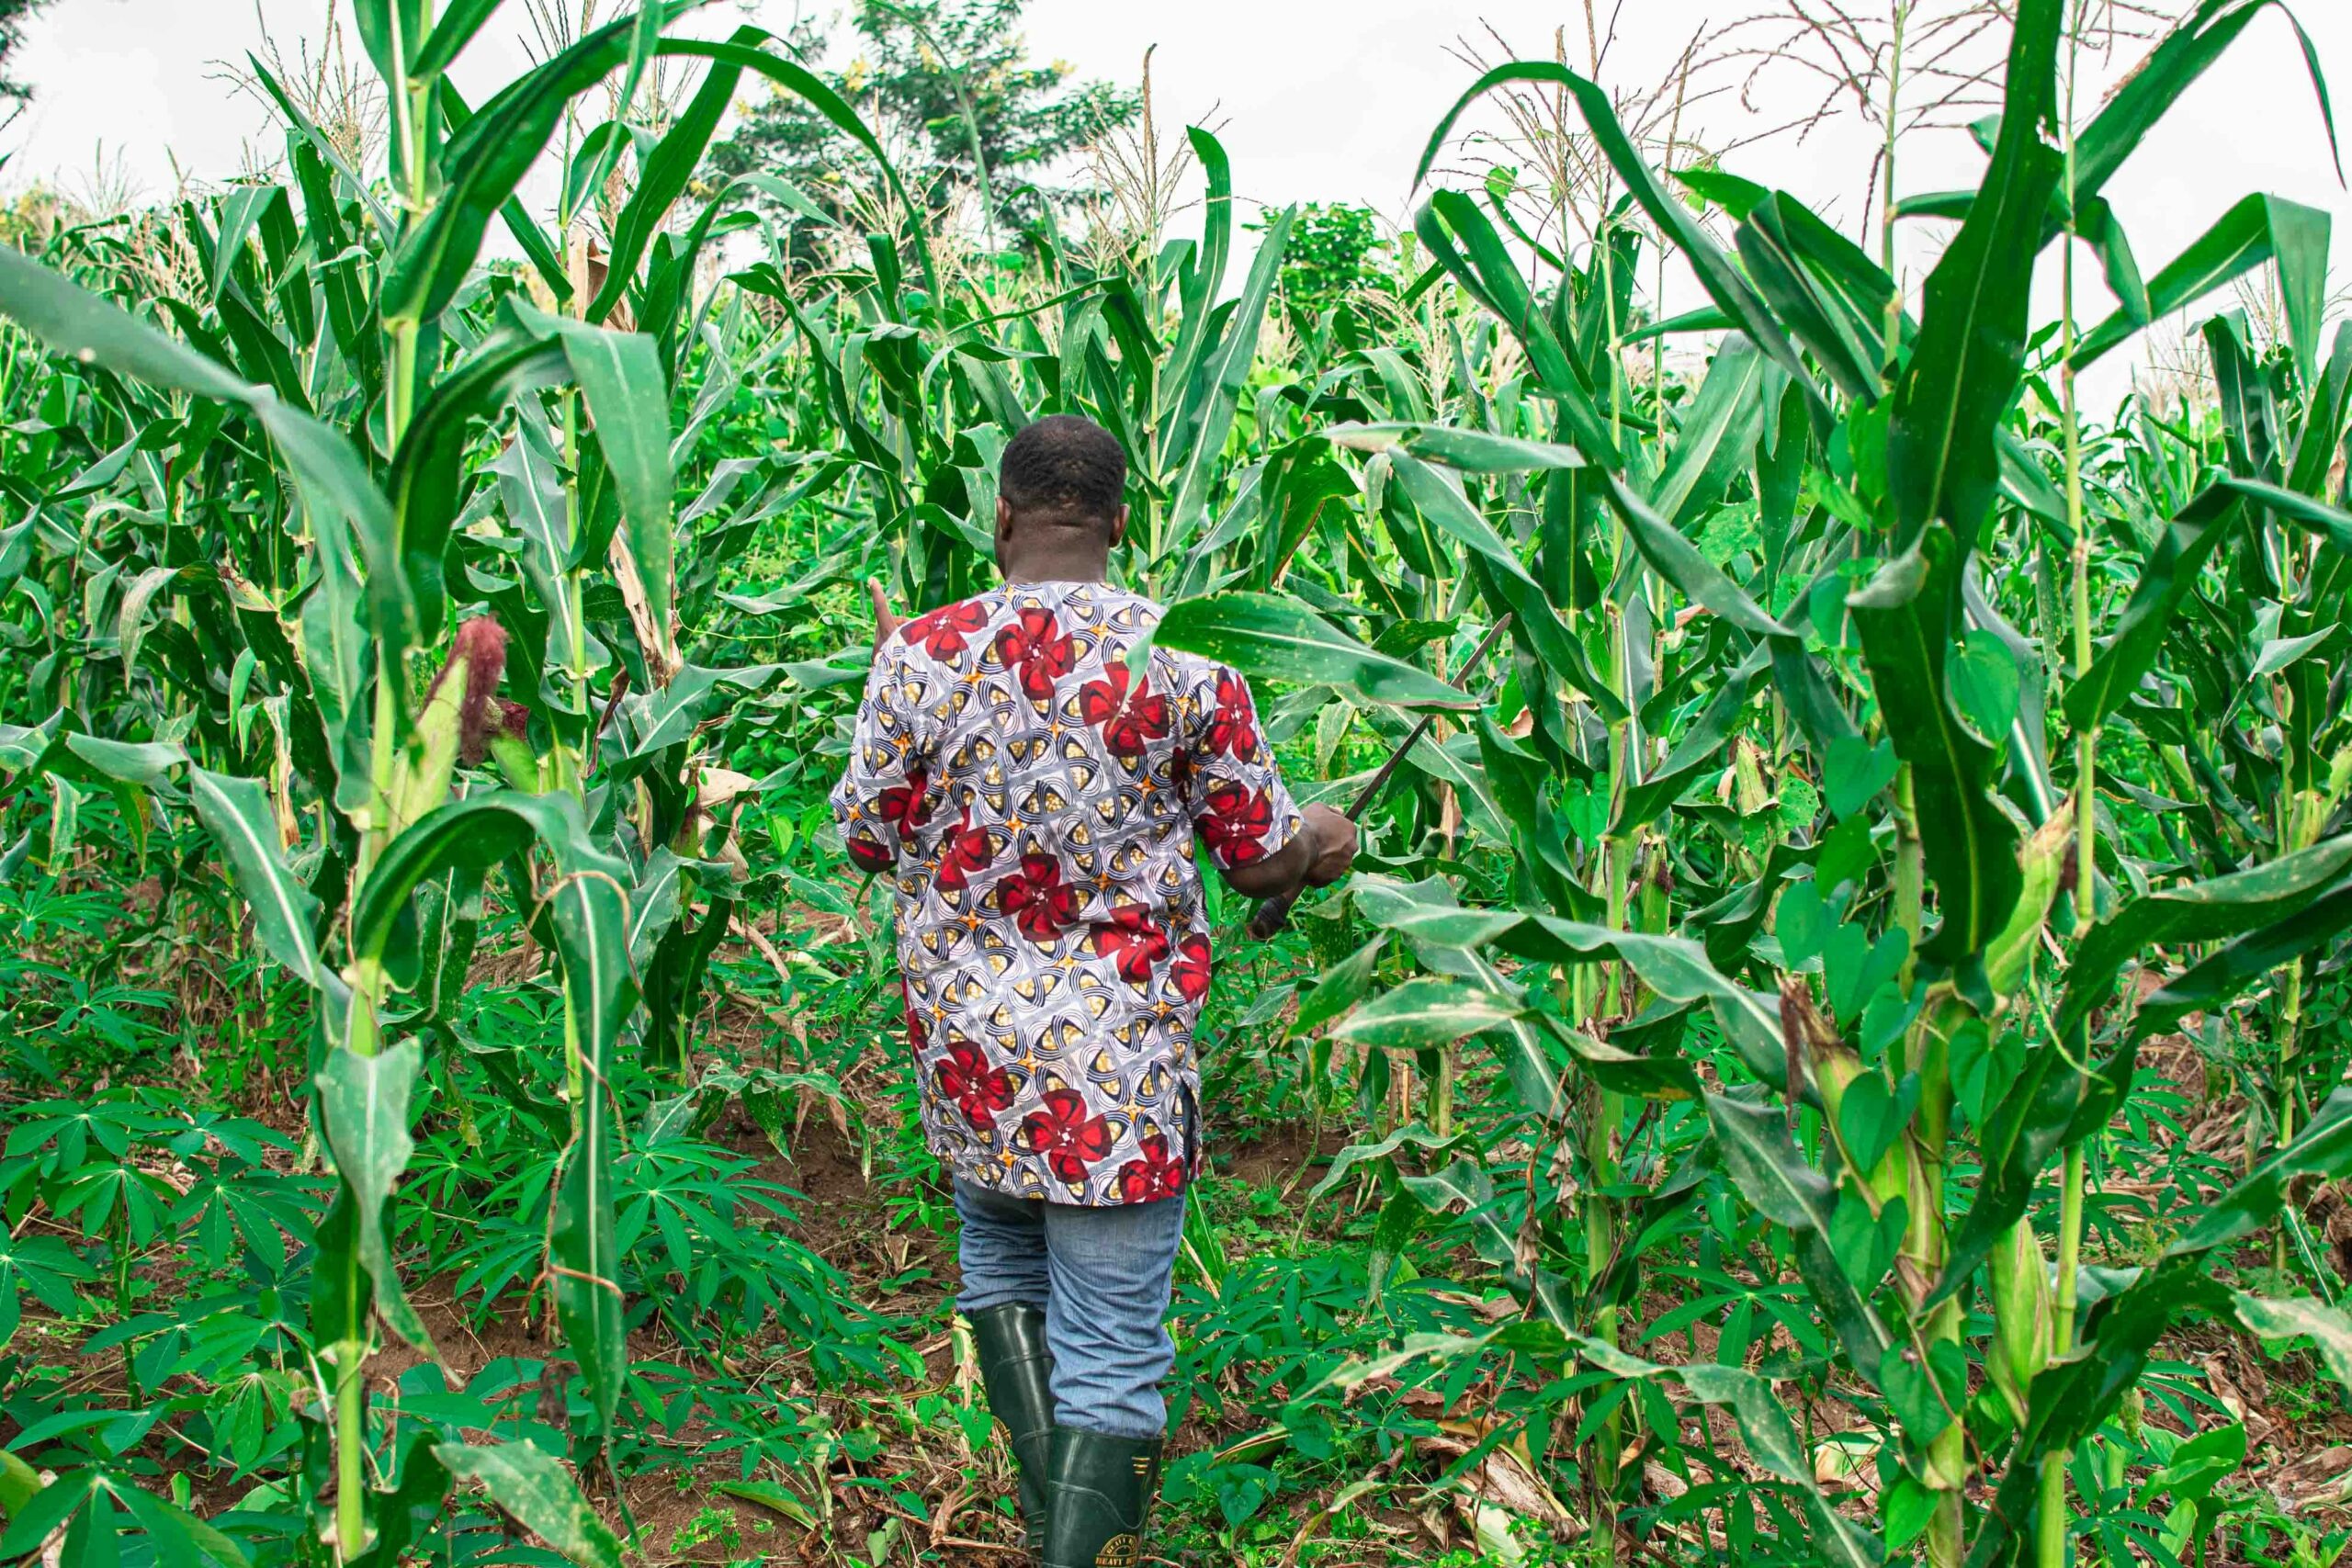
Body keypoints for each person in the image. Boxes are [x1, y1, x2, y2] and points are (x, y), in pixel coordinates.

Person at [830, 414, 1356, 1567]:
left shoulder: (917, 653)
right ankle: (1073, 1537)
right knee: (1112, 1335)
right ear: (1121, 524)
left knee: (1002, 1269)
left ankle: (1051, 1516)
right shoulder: (1186, 660)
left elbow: (866, 840)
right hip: (1118, 1061)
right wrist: (1321, 838)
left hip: (970, 1048)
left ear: (1002, 518)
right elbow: (1259, 859)